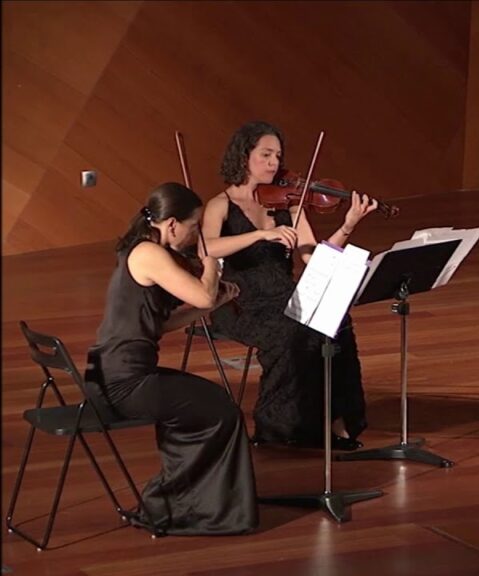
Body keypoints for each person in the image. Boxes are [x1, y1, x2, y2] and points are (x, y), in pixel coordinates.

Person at [85, 182, 256, 535]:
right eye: (194, 227)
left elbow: (160, 323)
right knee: (221, 411)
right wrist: (212, 263)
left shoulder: (142, 249)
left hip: (113, 374)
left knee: (212, 406)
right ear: (173, 225)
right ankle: (182, 506)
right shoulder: (148, 253)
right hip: (124, 383)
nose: (196, 235)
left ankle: (191, 503)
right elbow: (203, 295)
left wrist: (215, 302)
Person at [202, 121, 377, 451]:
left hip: (285, 294)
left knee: (336, 319)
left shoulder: (288, 203)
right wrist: (260, 234)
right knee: (291, 332)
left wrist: (348, 225)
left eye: (278, 156)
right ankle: (279, 428)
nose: (274, 163)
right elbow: (206, 247)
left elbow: (313, 258)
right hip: (239, 302)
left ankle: (335, 421)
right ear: (244, 156)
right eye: (265, 155)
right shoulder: (221, 204)